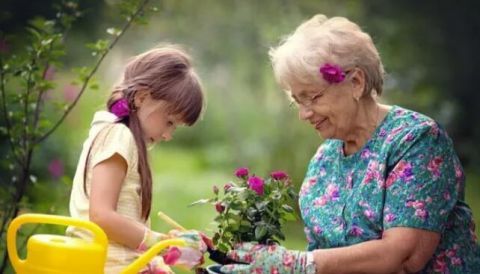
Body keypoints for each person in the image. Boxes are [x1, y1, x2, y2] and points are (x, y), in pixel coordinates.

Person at [221, 14, 480, 274]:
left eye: (312, 97)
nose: (304, 114)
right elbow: (322, 255)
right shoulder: (323, 159)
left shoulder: (416, 140)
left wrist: (299, 264)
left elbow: (404, 257)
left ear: (356, 82)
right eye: (297, 102)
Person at [67, 45, 208, 273]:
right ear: (142, 97)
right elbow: (101, 215)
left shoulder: (119, 135)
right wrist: (160, 245)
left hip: (118, 260)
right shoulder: (118, 135)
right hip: (108, 264)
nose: (168, 135)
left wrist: (168, 242)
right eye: (169, 122)